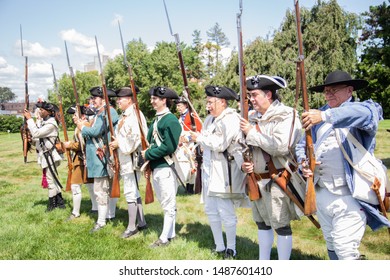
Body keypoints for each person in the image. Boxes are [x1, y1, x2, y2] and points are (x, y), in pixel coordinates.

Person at [296, 70, 390, 260]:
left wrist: (325, 116)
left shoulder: (361, 110)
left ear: (349, 90)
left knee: (345, 248)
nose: (328, 94)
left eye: (334, 90)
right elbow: (301, 146)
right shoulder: (317, 117)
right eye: (326, 91)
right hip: (322, 192)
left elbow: (368, 114)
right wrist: (303, 163)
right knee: (331, 243)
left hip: (351, 195)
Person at [240, 75, 303, 260]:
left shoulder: (286, 115)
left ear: (268, 94)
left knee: (281, 224)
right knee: (261, 223)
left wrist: (251, 133)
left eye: (254, 95)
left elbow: (280, 146)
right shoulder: (251, 117)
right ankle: (263, 263)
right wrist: (244, 163)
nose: (251, 100)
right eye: (249, 96)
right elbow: (241, 146)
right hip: (256, 178)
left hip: (277, 178)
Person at [190, 85, 249, 259]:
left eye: (210, 102)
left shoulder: (230, 119)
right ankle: (219, 246)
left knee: (226, 212)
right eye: (207, 102)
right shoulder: (210, 120)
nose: (207, 106)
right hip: (209, 171)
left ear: (222, 102)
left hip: (225, 171)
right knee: (211, 210)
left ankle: (231, 248)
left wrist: (199, 138)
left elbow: (219, 144)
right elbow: (206, 141)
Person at [141, 86, 182, 248]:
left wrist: (148, 155)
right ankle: (171, 234)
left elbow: (169, 146)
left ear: (164, 100)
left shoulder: (170, 120)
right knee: (165, 202)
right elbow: (152, 141)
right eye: (152, 98)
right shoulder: (157, 119)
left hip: (166, 165)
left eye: (155, 98)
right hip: (157, 166)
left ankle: (164, 238)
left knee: (168, 203)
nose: (151, 101)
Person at [75, 86, 119, 233]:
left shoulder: (108, 112)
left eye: (94, 98)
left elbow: (95, 131)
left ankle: (101, 221)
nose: (92, 101)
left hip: (102, 157)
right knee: (101, 189)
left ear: (102, 98)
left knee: (101, 190)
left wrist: (81, 127)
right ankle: (107, 215)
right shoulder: (101, 113)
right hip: (97, 157)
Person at [109, 87, 148, 238]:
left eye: (121, 99)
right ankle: (142, 222)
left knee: (130, 192)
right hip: (125, 158)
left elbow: (136, 138)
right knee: (133, 191)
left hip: (132, 158)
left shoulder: (135, 115)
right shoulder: (124, 115)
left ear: (130, 100)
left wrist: (119, 143)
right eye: (118, 99)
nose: (118, 101)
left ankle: (132, 227)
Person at [23, 101, 65, 212]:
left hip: (50, 155)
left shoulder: (51, 124)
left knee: (51, 181)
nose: (40, 112)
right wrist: (30, 140)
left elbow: (36, 133)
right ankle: (60, 202)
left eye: (42, 110)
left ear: (49, 112)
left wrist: (29, 119)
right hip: (46, 155)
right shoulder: (46, 123)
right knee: (53, 180)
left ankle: (52, 205)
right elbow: (38, 138)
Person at [63, 105, 96, 220]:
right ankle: (95, 207)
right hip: (81, 159)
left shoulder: (85, 125)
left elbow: (83, 144)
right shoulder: (80, 126)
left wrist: (70, 145)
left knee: (76, 186)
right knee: (90, 185)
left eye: (75, 115)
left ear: (82, 115)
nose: (73, 117)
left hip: (82, 160)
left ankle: (75, 212)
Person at [174, 97, 202, 194]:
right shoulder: (180, 117)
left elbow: (199, 130)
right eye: (177, 105)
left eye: (180, 105)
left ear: (186, 105)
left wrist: (188, 138)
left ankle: (191, 188)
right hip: (182, 144)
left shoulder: (192, 115)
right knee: (184, 165)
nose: (178, 108)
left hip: (191, 144)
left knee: (192, 165)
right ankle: (187, 187)